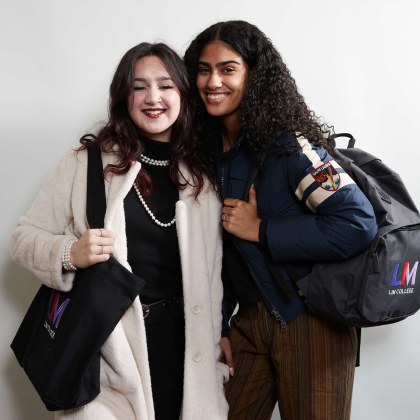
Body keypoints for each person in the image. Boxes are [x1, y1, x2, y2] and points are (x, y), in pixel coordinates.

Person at [10, 42, 229, 420]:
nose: (153, 98)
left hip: (189, 349)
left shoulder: (204, 174)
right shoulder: (87, 161)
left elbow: (221, 271)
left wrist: (223, 330)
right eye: (139, 86)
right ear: (123, 96)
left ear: (183, 94)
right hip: (112, 355)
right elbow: (23, 238)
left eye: (165, 85)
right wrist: (68, 253)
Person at [184, 20, 377, 420]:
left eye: (228, 69)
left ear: (254, 76)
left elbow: (357, 222)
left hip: (313, 324)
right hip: (250, 324)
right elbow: (217, 255)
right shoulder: (206, 156)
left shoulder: (290, 148)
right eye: (203, 69)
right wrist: (219, 327)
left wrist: (261, 229)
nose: (212, 81)